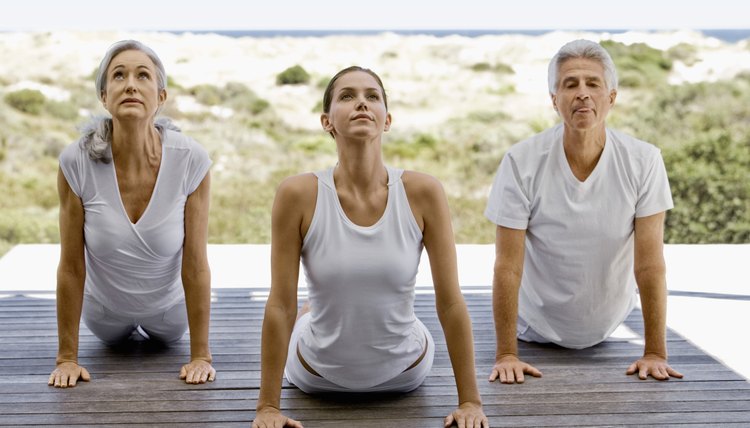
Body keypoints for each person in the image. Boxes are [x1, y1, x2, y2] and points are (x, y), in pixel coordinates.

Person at [252, 66, 488, 428]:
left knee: (337, 306)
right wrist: (267, 408)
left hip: (404, 373)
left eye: (371, 96)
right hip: (316, 376)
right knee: (299, 309)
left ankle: (316, 308)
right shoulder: (297, 194)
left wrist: (470, 402)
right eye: (347, 96)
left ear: (387, 119)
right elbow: (279, 304)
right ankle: (315, 310)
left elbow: (451, 301)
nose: (361, 103)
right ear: (327, 121)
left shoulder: (423, 192)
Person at [485, 39, 684, 384]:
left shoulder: (644, 160)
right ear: (554, 99)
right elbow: (507, 266)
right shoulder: (521, 161)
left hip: (610, 323)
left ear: (611, 97)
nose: (582, 93)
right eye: (570, 84)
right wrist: (506, 355)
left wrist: (654, 352)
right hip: (534, 328)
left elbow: (650, 264)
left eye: (593, 83)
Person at [48, 40, 215, 388]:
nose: (131, 85)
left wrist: (201, 356)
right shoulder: (75, 161)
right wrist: (67, 358)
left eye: (143, 76)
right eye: (119, 75)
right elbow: (71, 265)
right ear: (104, 96)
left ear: (161, 95)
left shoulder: (191, 159)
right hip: (104, 315)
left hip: (170, 314)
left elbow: (196, 262)